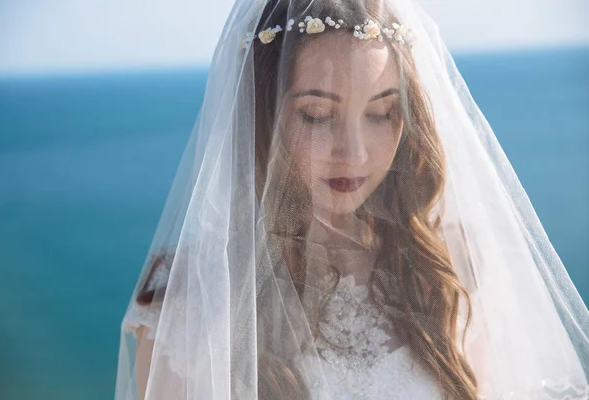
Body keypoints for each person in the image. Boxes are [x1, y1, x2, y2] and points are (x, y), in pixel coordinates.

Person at [115, 0, 589, 398]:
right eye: (318, 115)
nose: (355, 153)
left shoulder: (450, 268)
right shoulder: (187, 308)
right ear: (258, 117)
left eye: (383, 113)